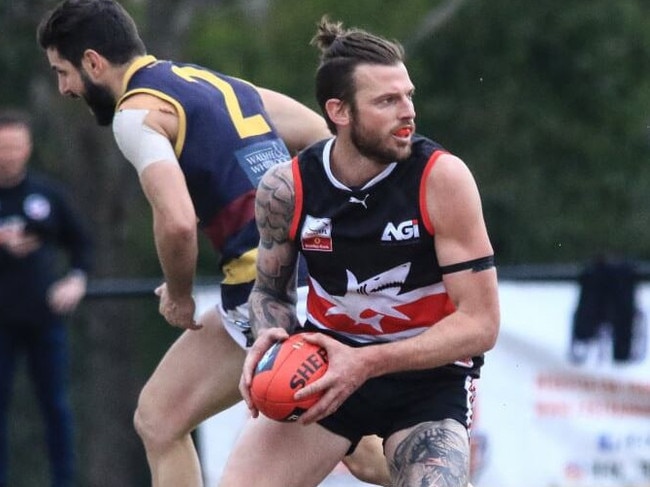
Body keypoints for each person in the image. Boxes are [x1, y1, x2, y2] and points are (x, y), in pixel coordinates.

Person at [36, 1, 390, 486]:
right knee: (159, 418)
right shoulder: (211, 83)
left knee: (364, 453)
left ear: (94, 62)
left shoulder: (135, 113)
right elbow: (317, 134)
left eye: (63, 72)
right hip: (288, 282)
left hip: (267, 293)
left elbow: (178, 221)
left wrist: (179, 295)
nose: (65, 88)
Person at [219, 17, 500, 487]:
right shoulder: (287, 189)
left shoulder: (442, 179)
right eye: (387, 101)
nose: (407, 111)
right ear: (340, 111)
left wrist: (366, 362)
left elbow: (481, 324)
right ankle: (362, 447)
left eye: (408, 95)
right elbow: (270, 293)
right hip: (326, 366)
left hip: (426, 380)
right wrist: (270, 335)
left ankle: (377, 451)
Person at [0, 109, 93, 487]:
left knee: (55, 407)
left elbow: (83, 244)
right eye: (3, 147)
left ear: (27, 148)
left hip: (44, 320)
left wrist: (76, 280)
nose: (9, 154)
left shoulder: (48, 194)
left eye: (15, 146)